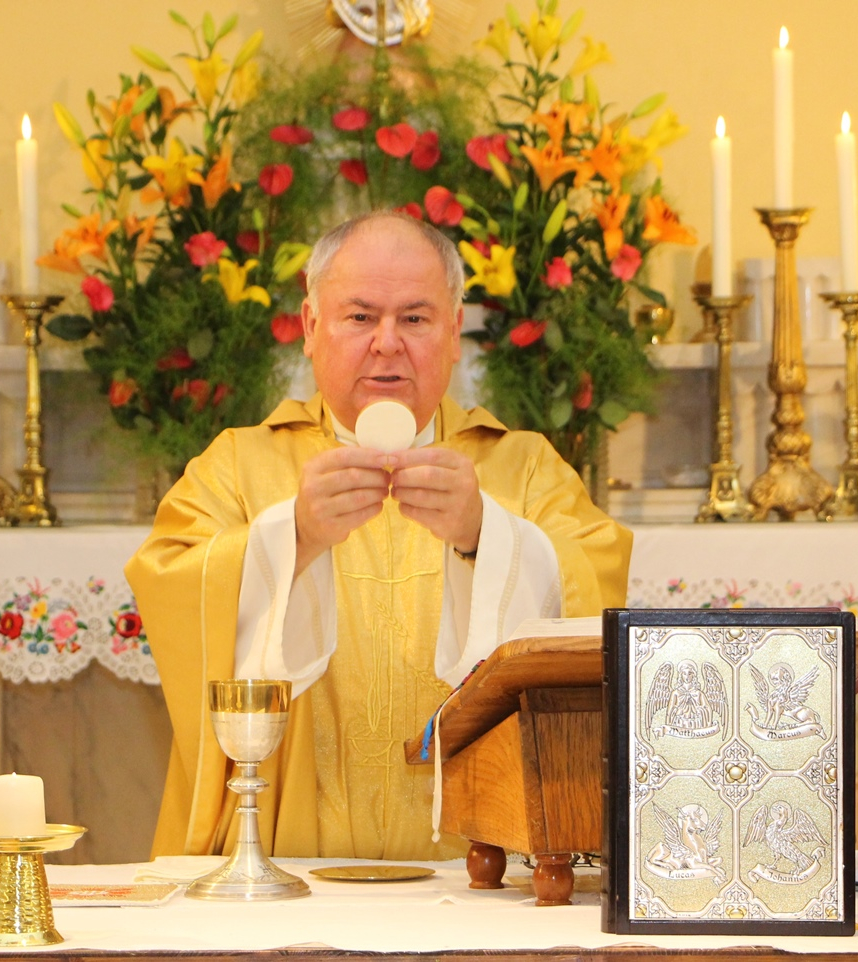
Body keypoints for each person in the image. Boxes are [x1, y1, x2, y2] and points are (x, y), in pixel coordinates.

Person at [128, 211, 631, 860]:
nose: (387, 343)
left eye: (415, 318)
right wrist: (292, 537)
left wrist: (486, 535)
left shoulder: (524, 467)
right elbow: (171, 583)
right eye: (360, 316)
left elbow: (593, 589)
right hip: (288, 858)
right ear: (311, 328)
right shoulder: (238, 465)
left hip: (484, 863)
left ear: (455, 332)